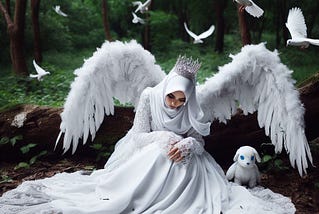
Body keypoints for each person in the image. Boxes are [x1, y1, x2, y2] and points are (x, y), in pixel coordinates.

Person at [0, 56, 296, 214]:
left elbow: (199, 138)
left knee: (181, 162)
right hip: (147, 152)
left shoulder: (194, 105)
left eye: (182, 100)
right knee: (158, 156)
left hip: (188, 161)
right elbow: (139, 135)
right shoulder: (149, 97)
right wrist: (161, 138)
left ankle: (176, 198)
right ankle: (141, 197)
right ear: (166, 89)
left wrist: (189, 143)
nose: (176, 105)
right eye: (172, 98)